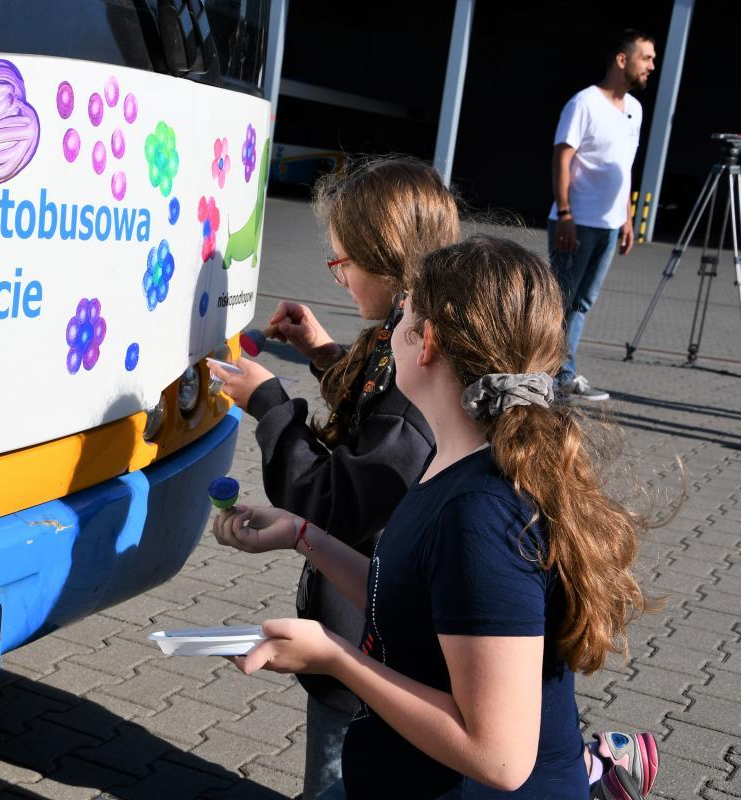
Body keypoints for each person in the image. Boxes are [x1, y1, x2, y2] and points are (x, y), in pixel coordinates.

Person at [212, 236, 662, 799]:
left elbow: (500, 758)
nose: (390, 332)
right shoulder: (456, 459)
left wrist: (335, 657)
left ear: (427, 343)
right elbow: (408, 596)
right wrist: (303, 535)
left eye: (402, 316)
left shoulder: (482, 514)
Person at [209, 157, 460, 798]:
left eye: (343, 262)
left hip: (369, 648)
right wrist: (323, 353)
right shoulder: (408, 335)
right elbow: (378, 410)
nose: (338, 274)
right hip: (365, 631)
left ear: (388, 260)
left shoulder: (413, 377)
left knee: (336, 777)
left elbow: (336, 498)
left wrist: (270, 404)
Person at [549, 29, 657, 401]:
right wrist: (565, 213)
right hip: (577, 222)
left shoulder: (635, 110)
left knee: (581, 303)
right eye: (646, 58)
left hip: (609, 226)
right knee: (561, 302)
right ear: (622, 60)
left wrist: (627, 218)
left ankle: (563, 374)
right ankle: (550, 374)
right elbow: (562, 159)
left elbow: (624, 167)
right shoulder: (584, 104)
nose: (652, 66)